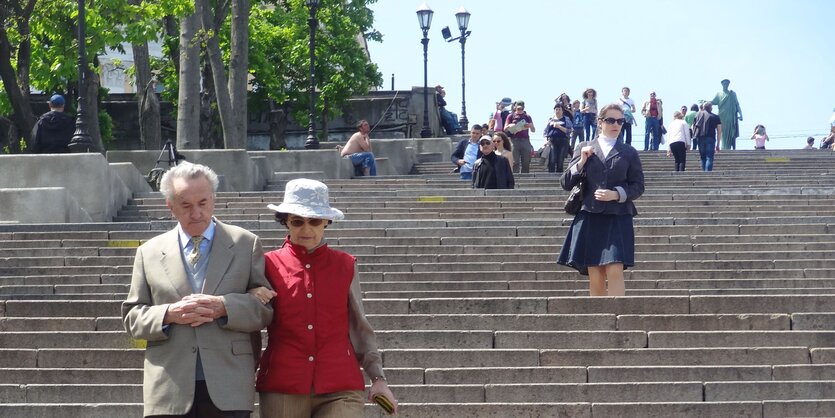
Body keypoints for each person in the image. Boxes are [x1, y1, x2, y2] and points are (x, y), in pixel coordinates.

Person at [122, 162, 274, 418]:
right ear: (170, 206)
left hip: (230, 381)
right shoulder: (148, 253)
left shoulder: (245, 244)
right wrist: (169, 313)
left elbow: (265, 309)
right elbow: (132, 318)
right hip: (169, 384)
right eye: (186, 205)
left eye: (203, 203)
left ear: (214, 199)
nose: (196, 213)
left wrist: (224, 307)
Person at [253, 179, 397, 418]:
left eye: (314, 221)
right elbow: (252, 318)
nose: (306, 229)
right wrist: (251, 293)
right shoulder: (268, 264)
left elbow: (359, 325)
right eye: (297, 221)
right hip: (284, 383)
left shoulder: (345, 265)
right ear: (286, 221)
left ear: (326, 222)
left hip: (341, 382)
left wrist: (378, 378)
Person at [558, 103, 645, 296]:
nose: (616, 124)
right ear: (600, 122)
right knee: (595, 271)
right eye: (611, 120)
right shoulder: (583, 147)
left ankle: (618, 315)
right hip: (590, 214)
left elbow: (638, 186)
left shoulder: (629, 152)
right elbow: (565, 182)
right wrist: (581, 162)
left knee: (615, 268)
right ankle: (600, 318)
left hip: (618, 215)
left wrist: (616, 194)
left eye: (620, 121)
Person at [503, 101, 535, 173]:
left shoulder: (527, 116)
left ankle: (525, 178)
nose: (519, 110)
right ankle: (515, 179)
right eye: (518, 108)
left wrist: (530, 125)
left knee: (526, 161)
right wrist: (509, 125)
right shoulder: (510, 116)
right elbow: (505, 129)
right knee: (515, 161)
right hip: (514, 140)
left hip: (525, 140)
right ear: (515, 107)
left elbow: (533, 130)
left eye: (521, 108)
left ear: (523, 108)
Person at [711, 79, 743, 150]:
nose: (726, 85)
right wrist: (706, 102)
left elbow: (737, 104)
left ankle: (728, 148)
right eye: (724, 83)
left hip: (730, 115)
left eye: (727, 84)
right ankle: (723, 147)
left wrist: (741, 114)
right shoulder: (718, 94)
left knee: (731, 131)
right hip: (722, 115)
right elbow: (713, 102)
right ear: (722, 84)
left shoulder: (732, 94)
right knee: (722, 132)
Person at [692, 102, 722, 171]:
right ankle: (707, 173)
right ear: (711, 108)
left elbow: (693, 127)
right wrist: (718, 145)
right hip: (711, 138)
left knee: (703, 157)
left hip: (700, 138)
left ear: (703, 107)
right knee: (709, 157)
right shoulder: (715, 117)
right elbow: (719, 131)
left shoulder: (697, 116)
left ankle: (704, 173)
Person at [543, 104, 573, 173]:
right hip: (552, 141)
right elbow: (545, 131)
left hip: (563, 141)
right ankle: (551, 176)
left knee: (560, 160)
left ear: (562, 111)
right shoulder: (551, 120)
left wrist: (559, 127)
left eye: (559, 109)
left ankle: (559, 177)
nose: (558, 111)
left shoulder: (566, 119)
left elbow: (569, 130)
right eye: (556, 109)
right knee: (552, 160)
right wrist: (545, 141)